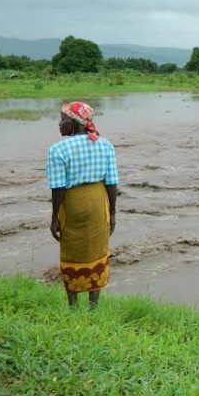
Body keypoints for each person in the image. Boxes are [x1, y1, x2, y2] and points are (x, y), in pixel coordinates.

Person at [47, 101, 118, 309]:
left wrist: (54, 219)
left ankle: (73, 306)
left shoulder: (58, 149)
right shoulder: (105, 144)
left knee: (72, 250)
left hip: (73, 203)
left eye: (63, 120)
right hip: (99, 201)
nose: (59, 124)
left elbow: (58, 188)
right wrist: (112, 213)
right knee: (97, 250)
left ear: (75, 122)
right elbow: (112, 182)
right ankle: (93, 307)